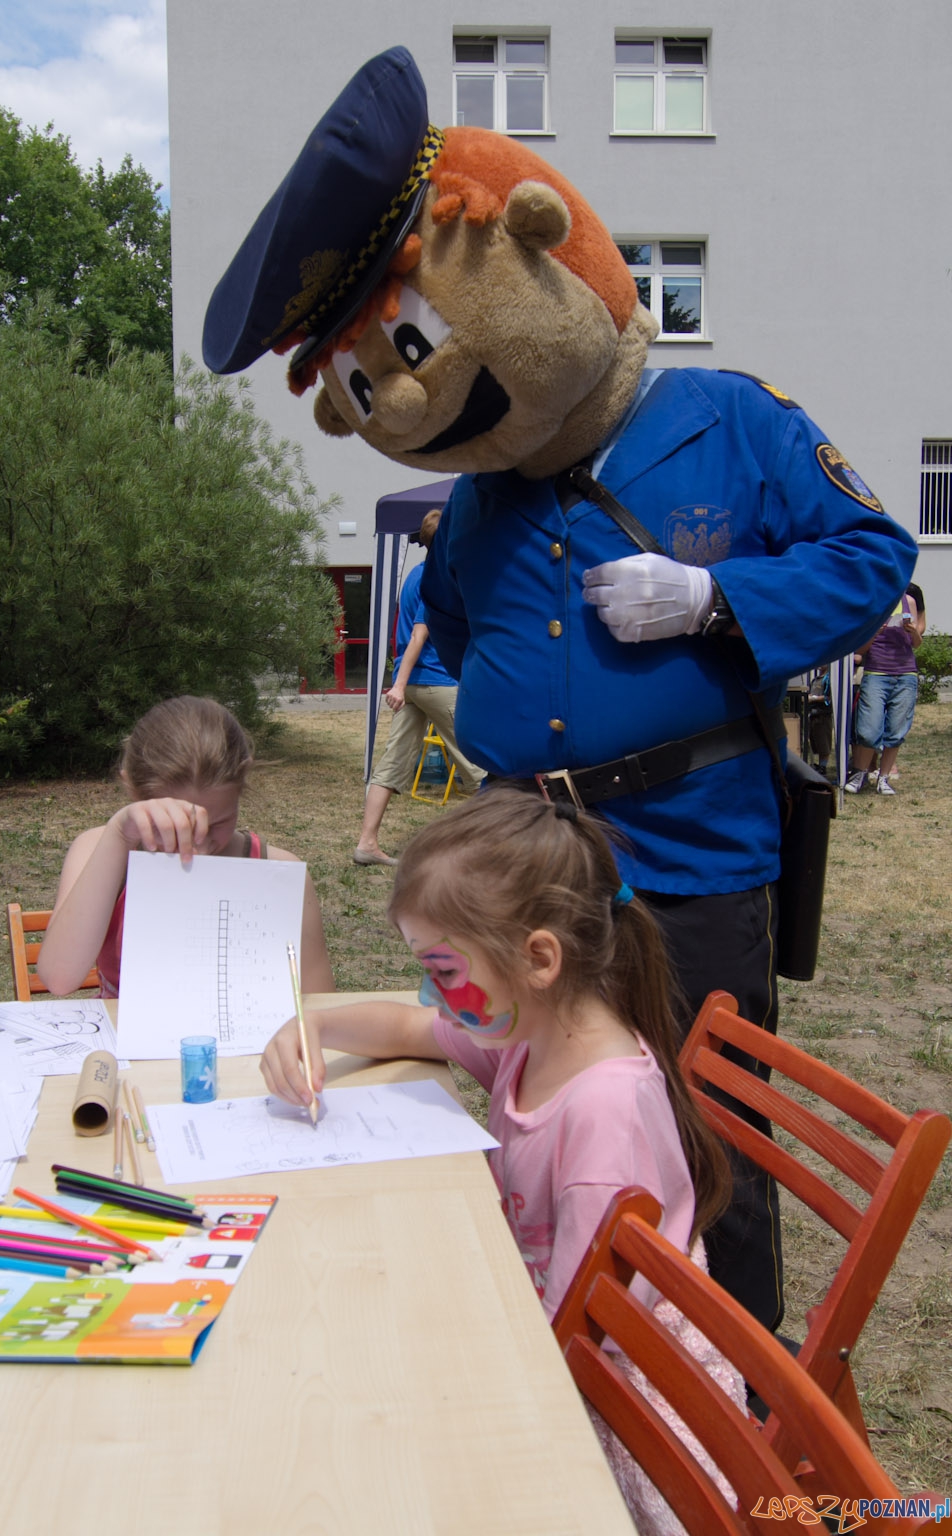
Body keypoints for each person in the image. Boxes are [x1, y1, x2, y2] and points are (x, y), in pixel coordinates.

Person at [203, 47, 919, 1331]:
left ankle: (725, 1401)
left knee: (709, 1152)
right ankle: (569, 1330)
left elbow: (875, 553)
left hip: (688, 858)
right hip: (532, 871)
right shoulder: (477, 500)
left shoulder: (725, 416)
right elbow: (472, 635)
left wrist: (717, 602)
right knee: (547, 1102)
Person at [261, 786, 742, 1536]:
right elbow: (408, 1026)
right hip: (540, 1328)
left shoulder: (600, 1118)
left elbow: (576, 1337)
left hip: (609, 1409)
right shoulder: (534, 1036)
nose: (432, 989)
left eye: (444, 970)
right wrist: (309, 1025)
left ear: (539, 958)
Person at [37, 695, 334, 997]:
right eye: (177, 824)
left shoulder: (278, 870)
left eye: (217, 823)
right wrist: (119, 835)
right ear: (132, 790)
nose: (199, 846)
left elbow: (319, 1002)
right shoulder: (98, 849)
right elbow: (60, 978)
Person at [354, 509, 485, 867]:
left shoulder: (414, 574)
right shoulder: (439, 579)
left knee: (392, 765)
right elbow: (419, 633)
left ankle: (367, 844)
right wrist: (396, 684)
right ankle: (492, 852)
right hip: (436, 682)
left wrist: (402, 683)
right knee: (481, 767)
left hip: (413, 686)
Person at [845, 587, 923, 796]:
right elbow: (859, 650)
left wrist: (913, 631)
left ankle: (884, 777)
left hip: (906, 674)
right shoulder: (873, 599)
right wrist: (875, 632)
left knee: (897, 730)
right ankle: (860, 773)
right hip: (876, 673)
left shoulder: (909, 602)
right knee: (868, 730)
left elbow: (917, 643)